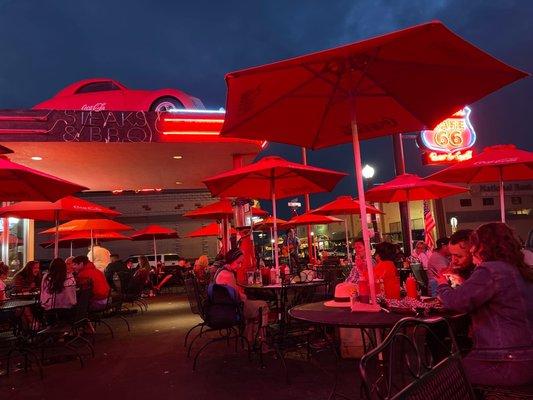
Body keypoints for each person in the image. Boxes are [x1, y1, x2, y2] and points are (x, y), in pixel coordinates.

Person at [437, 223, 533, 387]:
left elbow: (456, 302)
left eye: (474, 244)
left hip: (506, 360)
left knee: (441, 380)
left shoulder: (490, 269)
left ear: (484, 245)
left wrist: (442, 286)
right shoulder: (518, 268)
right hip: (524, 355)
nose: (472, 250)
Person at [214, 248, 268, 342]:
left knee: (253, 306)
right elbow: (238, 297)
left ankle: (250, 338)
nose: (240, 266)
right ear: (231, 260)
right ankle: (262, 340)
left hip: (224, 307)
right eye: (238, 262)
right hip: (232, 310)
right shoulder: (228, 275)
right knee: (263, 305)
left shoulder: (221, 271)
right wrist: (243, 295)